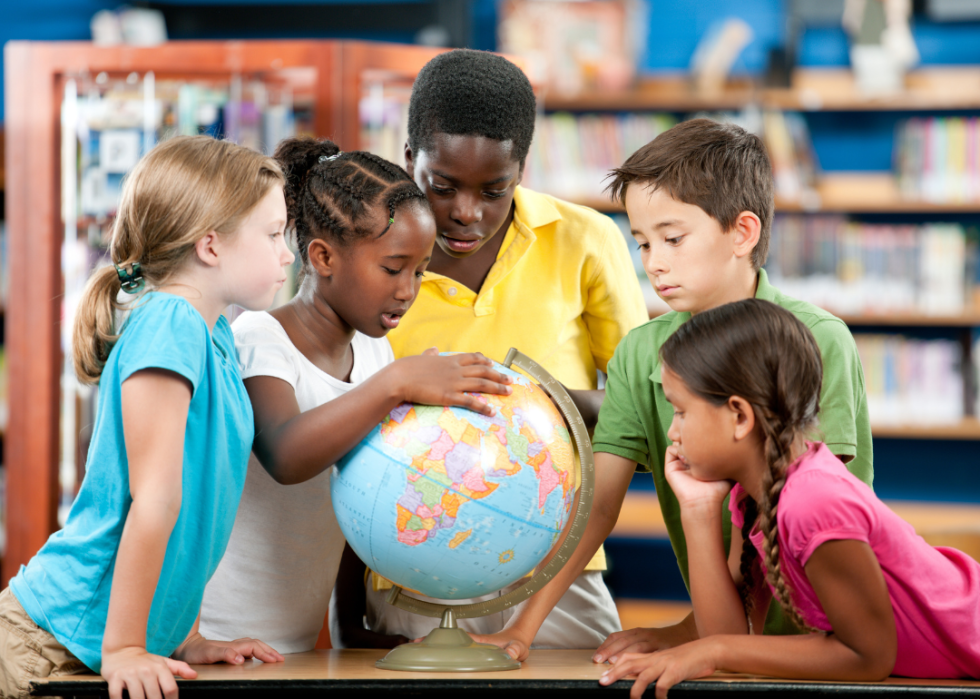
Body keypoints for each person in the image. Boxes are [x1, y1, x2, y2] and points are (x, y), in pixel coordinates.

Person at [480, 118, 875, 662]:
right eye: (641, 243)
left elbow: (796, 505)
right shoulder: (641, 352)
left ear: (742, 232)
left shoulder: (816, 338)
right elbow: (597, 508)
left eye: (673, 238)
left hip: (833, 640)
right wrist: (521, 630)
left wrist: (702, 638)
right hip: (729, 634)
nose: (654, 263)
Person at [331, 48, 648, 650]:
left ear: (523, 169)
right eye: (441, 186)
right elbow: (334, 430)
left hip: (555, 563)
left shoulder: (586, 241)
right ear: (408, 160)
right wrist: (347, 609)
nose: (465, 212)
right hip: (407, 558)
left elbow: (641, 407)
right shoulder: (363, 259)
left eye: (494, 189)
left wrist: (536, 403)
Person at [0, 135, 293, 699]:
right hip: (51, 641)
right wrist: (127, 649)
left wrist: (183, 638)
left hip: (107, 644)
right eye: (274, 234)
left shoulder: (215, 333)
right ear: (211, 245)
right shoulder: (171, 323)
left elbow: (198, 509)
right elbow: (153, 499)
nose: (286, 253)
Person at [198, 137, 513, 654]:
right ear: (322, 257)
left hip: (291, 643)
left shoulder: (373, 357)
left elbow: (357, 500)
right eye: (392, 268)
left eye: (420, 270)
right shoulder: (258, 338)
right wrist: (395, 386)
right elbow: (284, 452)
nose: (408, 290)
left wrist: (347, 622)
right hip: (214, 634)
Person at [599, 299, 980, 699]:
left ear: (740, 417)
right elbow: (728, 633)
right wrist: (697, 510)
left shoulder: (814, 502)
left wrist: (710, 649)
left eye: (680, 411)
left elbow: (868, 656)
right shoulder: (755, 494)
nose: (673, 433)